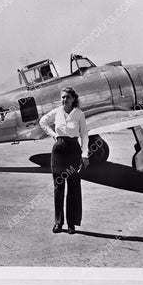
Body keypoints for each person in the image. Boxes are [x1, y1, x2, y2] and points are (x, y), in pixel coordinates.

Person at [39, 87, 89, 234]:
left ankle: (71, 224)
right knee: (58, 187)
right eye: (62, 97)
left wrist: (85, 154)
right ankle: (58, 223)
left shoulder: (79, 114)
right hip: (58, 151)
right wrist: (54, 135)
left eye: (67, 97)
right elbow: (43, 122)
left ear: (73, 99)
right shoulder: (56, 112)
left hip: (74, 150)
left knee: (73, 187)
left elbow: (85, 135)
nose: (64, 100)